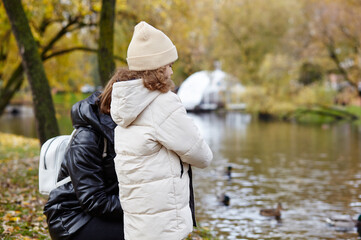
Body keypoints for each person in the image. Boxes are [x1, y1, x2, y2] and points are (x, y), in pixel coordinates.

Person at [100, 21, 213, 240]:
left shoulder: (124, 103)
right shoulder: (163, 103)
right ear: (158, 67)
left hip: (137, 223)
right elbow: (203, 156)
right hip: (164, 225)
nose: (172, 70)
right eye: (169, 64)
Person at [43, 92, 124, 240]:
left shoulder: (124, 132)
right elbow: (94, 201)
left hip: (101, 212)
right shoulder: (87, 138)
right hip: (73, 220)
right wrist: (139, 203)